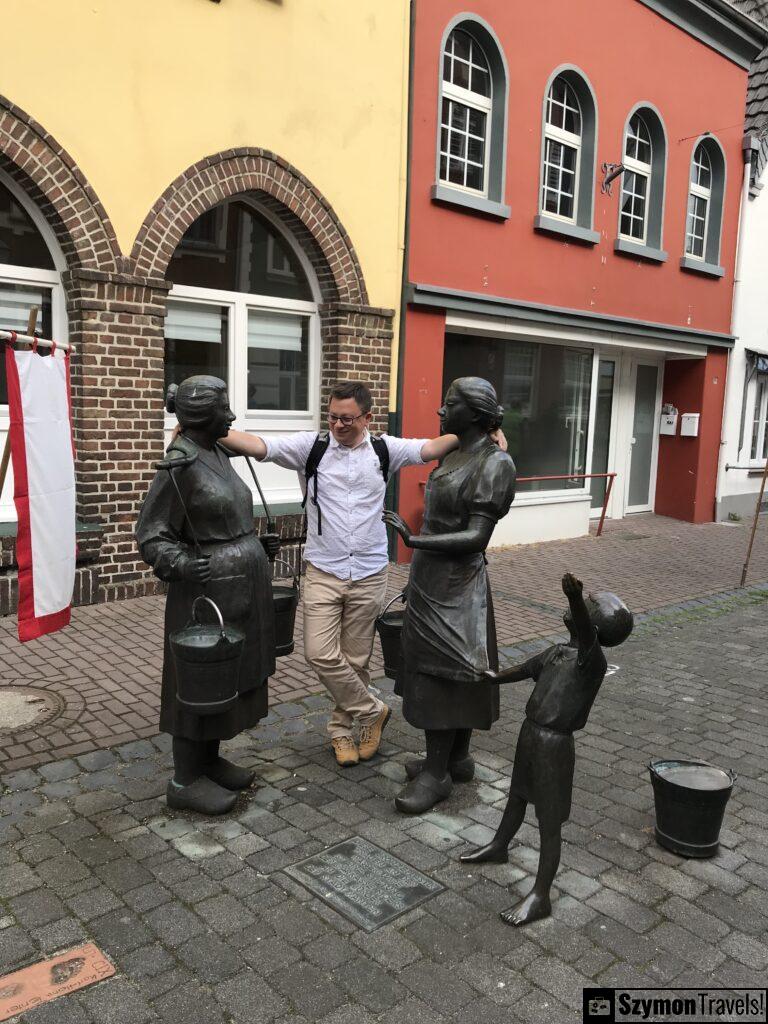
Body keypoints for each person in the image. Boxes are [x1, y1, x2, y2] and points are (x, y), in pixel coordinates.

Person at [217, 380, 505, 767]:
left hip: (369, 571)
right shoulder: (311, 448)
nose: (338, 425)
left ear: (367, 418)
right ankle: (372, 710)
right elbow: (257, 445)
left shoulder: (386, 450)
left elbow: (435, 446)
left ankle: (343, 731)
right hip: (324, 570)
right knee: (319, 653)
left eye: (347, 419)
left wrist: (488, 434)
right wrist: (204, 425)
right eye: (333, 417)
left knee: (355, 660)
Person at [136, 376, 278, 815]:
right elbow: (151, 535)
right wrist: (179, 564)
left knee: (226, 677)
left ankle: (210, 760)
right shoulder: (179, 464)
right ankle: (184, 780)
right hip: (204, 594)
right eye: (224, 410)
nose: (232, 417)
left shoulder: (217, 452)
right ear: (201, 416)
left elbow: (226, 511)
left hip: (240, 587)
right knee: (196, 681)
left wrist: (254, 543)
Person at [461, 573, 633, 926]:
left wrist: (573, 598)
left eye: (587, 606)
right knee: (517, 796)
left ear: (593, 628)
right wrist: (494, 676)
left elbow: (586, 636)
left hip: (555, 745)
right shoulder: (558, 652)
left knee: (549, 822)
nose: (580, 607)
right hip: (530, 734)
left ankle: (541, 894)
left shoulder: (591, 662)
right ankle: (499, 846)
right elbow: (526, 669)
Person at [383, 377, 516, 815]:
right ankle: (455, 759)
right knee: (441, 669)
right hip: (430, 580)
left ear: (475, 413)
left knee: (446, 673)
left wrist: (414, 542)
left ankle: (436, 774)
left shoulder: (494, 464)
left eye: (449, 404)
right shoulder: (457, 452)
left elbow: (477, 537)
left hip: (457, 585)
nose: (440, 412)